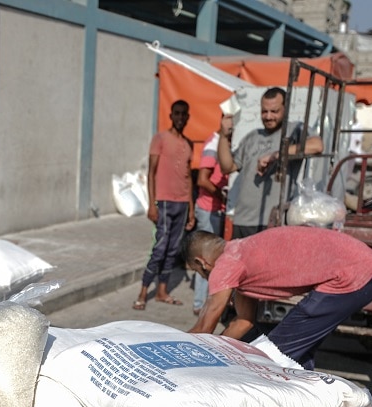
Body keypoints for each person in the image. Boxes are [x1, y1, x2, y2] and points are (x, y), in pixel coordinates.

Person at [185, 227, 372, 370]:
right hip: (368, 269)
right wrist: (220, 351)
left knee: (274, 356)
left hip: (355, 275)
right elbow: (243, 323)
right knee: (297, 352)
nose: (205, 278)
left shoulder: (225, 265)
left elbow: (204, 330)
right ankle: (307, 405)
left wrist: (173, 350)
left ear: (201, 262)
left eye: (198, 272)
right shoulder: (241, 253)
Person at [217, 87, 324, 237]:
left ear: (285, 110)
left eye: (274, 111)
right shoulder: (252, 137)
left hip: (273, 221)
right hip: (243, 220)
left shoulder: (294, 131)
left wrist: (276, 155)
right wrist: (223, 135)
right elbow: (227, 167)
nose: (268, 116)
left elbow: (317, 146)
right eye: (264, 111)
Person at [133, 100, 194, 310]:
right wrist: (152, 204)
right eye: (176, 113)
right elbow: (151, 173)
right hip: (165, 202)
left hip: (182, 203)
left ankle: (162, 291)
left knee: (173, 249)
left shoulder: (188, 144)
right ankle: (142, 292)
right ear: (171, 115)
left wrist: (191, 209)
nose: (179, 118)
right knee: (159, 248)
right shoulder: (160, 139)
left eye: (183, 114)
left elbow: (188, 178)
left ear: (187, 117)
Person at [192, 119, 229, 314]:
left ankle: (205, 301)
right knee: (205, 256)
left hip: (216, 209)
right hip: (208, 209)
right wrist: (221, 193)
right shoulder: (214, 145)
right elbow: (202, 179)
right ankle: (199, 304)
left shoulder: (223, 144)